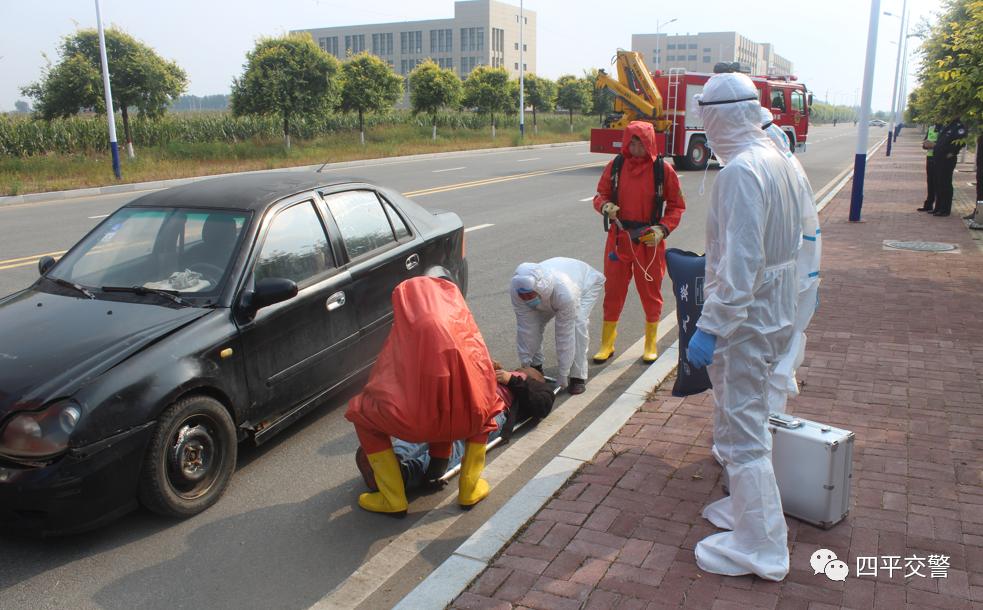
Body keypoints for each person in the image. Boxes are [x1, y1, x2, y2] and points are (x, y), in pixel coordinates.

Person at [685, 72, 808, 581]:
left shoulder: (740, 171)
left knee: (744, 431)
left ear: (719, 117)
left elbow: (741, 265)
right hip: (774, 309)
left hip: (747, 318)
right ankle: (746, 513)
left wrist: (711, 325)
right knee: (750, 413)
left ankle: (761, 547)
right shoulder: (779, 158)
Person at [345, 277, 505, 516]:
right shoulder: (465, 330)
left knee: (360, 413)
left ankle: (393, 498)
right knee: (482, 405)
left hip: (418, 423)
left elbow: (382, 381)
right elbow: (485, 378)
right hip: (470, 419)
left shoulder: (405, 336)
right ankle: (468, 488)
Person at [356, 363, 556, 493]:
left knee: (458, 442)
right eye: (522, 368)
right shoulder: (499, 370)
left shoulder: (533, 385)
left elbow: (542, 406)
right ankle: (393, 461)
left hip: (494, 412)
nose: (523, 368)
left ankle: (405, 473)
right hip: (463, 401)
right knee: (427, 428)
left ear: (536, 378)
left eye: (528, 371)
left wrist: (514, 380)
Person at [591, 121, 686, 363]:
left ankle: (650, 342)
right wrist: (605, 206)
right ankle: (607, 343)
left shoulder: (663, 171)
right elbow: (600, 194)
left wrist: (662, 229)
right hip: (619, 239)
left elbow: (676, 206)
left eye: (640, 142)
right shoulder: (616, 166)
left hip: (649, 241)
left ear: (650, 143)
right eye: (631, 141)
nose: (635, 147)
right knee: (612, 291)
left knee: (651, 293)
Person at [759, 107, 822, 415]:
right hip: (791, 279)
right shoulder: (785, 164)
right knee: (775, 357)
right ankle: (764, 430)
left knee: (767, 364)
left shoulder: (775, 169)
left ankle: (764, 434)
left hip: (778, 283)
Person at [511, 258, 604, 395]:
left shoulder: (565, 293)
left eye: (529, 294)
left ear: (539, 288)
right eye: (523, 295)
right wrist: (526, 363)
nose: (526, 298)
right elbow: (526, 328)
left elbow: (564, 335)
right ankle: (536, 366)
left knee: (577, 325)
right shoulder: (517, 290)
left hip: (585, 284)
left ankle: (577, 376)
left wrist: (563, 373)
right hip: (549, 293)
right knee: (534, 326)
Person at [930, 117, 968, 217]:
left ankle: (945, 209)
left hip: (947, 159)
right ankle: (938, 207)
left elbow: (961, 142)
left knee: (945, 183)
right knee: (938, 183)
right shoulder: (947, 125)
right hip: (938, 158)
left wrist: (952, 152)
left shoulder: (959, 126)